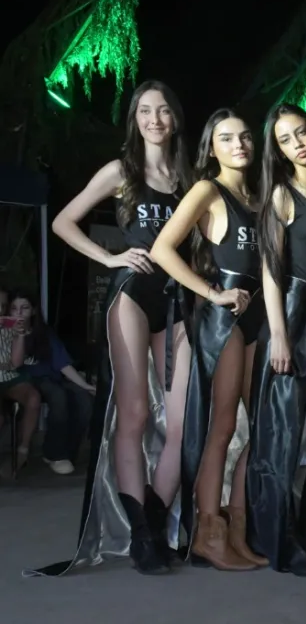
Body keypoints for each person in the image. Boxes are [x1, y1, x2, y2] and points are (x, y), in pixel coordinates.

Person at [36, 80, 193, 576]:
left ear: (175, 118)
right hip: (132, 295)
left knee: (182, 422)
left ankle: (154, 520)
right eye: (145, 111)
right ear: (134, 118)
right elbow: (63, 222)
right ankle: (142, 537)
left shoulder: (190, 176)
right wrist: (108, 258)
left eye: (162, 110)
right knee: (135, 413)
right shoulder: (120, 171)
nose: (154, 119)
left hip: (179, 300)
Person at [150, 108, 266, 571]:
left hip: (260, 314)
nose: (239, 144)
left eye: (245, 136)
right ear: (211, 148)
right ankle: (207, 534)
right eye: (227, 138)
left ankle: (236, 530)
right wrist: (212, 293)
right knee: (222, 427)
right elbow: (162, 248)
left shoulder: (259, 195)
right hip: (225, 319)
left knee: (257, 428)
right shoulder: (207, 190)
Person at [247, 103, 306, 578]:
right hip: (291, 318)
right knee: (282, 441)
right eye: (285, 140)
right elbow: (270, 270)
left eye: (301, 132)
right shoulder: (282, 195)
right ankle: (283, 546)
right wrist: (279, 337)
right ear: (279, 151)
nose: (297, 144)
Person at [9, 290, 95, 475]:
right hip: (25, 380)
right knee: (58, 396)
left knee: (84, 400)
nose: (19, 313)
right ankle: (54, 453)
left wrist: (85, 385)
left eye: (24, 308)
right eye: (14, 308)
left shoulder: (44, 333)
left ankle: (67, 453)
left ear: (33, 311)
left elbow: (62, 364)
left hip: (53, 377)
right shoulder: (6, 333)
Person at [1, 288, 42, 474]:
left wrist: (19, 335)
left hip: (10, 378)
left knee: (33, 398)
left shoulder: (12, 327)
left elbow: (16, 364)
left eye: (3, 306)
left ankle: (22, 451)